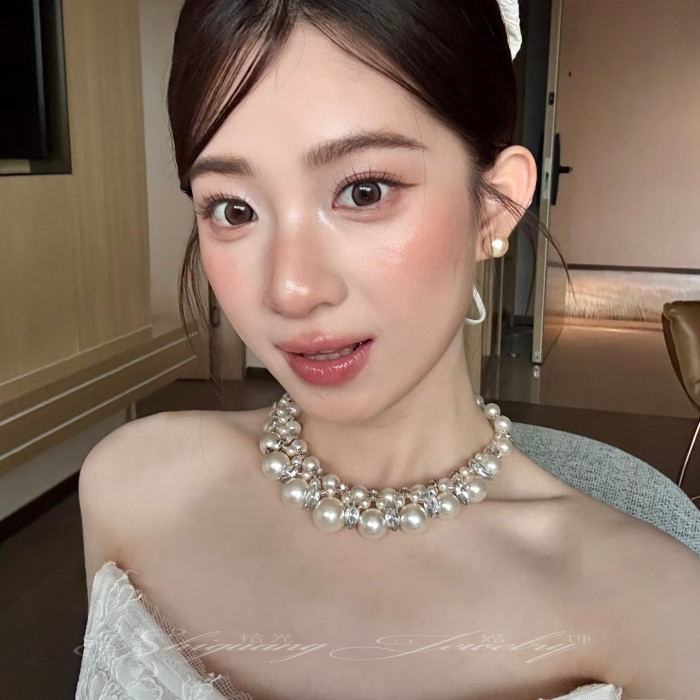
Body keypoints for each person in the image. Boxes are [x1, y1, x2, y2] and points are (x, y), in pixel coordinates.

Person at [76, 1, 700, 698]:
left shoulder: (652, 612)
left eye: (364, 191)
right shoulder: (132, 486)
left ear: (495, 203)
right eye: (234, 209)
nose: (291, 289)